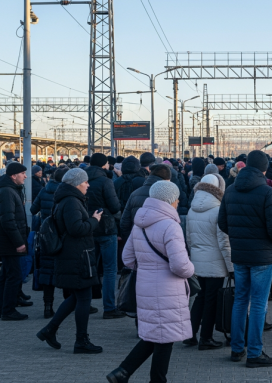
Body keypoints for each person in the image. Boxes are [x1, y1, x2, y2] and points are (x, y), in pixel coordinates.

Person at [107, 181, 194, 383]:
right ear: (171, 200)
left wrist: (147, 267)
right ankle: (154, 380)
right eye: (177, 198)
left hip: (144, 286)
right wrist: (191, 269)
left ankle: (122, 372)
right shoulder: (171, 226)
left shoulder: (140, 223)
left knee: (155, 335)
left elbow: (128, 259)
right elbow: (180, 266)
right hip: (168, 289)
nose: (178, 201)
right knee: (165, 338)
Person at [217, 150, 272, 368]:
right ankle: (255, 353)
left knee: (240, 300)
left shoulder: (231, 190)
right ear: (265, 169)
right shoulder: (266, 192)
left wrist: (239, 238)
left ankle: (237, 349)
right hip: (263, 256)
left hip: (240, 254)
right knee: (258, 303)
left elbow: (223, 223)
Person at [37, 168, 103, 354]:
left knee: (77, 297)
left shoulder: (65, 199)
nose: (88, 185)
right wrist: (94, 220)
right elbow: (76, 229)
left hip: (73, 255)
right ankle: (81, 340)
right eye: (85, 182)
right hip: (77, 256)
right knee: (83, 298)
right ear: (76, 183)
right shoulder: (72, 202)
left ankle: (50, 330)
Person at [186, 173, 231, 349]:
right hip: (216, 263)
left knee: (200, 297)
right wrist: (231, 266)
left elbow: (189, 239)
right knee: (212, 300)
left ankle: (190, 334)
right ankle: (206, 338)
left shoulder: (191, 208)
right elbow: (224, 242)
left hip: (197, 260)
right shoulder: (219, 210)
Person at [84, 153, 123, 319]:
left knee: (89, 268)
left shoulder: (82, 180)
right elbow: (114, 206)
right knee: (109, 270)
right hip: (106, 229)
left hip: (87, 228)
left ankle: (85, 304)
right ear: (103, 165)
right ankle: (109, 307)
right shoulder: (106, 181)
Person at [0, 162, 30, 321]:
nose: (25, 176)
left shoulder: (9, 190)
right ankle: (8, 310)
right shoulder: (8, 192)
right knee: (13, 275)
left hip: (6, 242)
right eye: (22, 173)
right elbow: (8, 220)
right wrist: (18, 242)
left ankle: (2, 308)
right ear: (13, 176)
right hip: (9, 242)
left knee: (7, 275)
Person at [31, 167, 66, 318]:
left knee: (47, 272)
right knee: (66, 271)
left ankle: (47, 306)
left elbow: (33, 209)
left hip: (46, 236)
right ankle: (68, 305)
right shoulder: (66, 193)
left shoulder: (44, 190)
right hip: (63, 236)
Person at [120, 164, 171, 240]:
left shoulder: (135, 194)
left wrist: (129, 239)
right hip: (158, 241)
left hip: (136, 239)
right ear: (166, 179)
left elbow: (125, 222)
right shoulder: (167, 195)